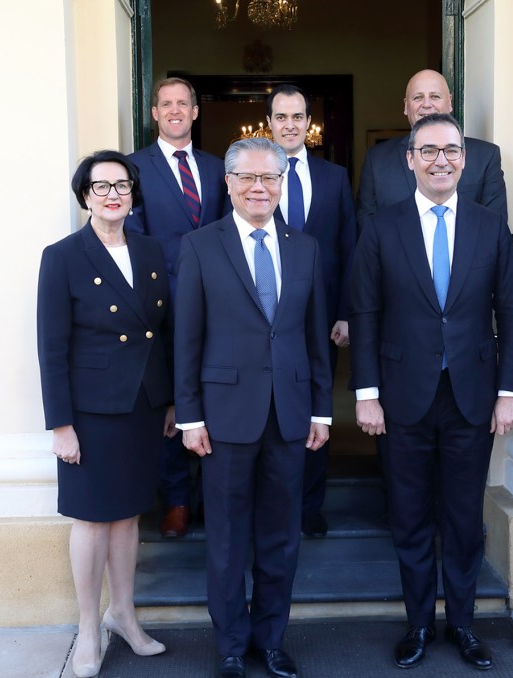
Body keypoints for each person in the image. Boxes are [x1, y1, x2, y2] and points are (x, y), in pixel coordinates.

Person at [350, 113, 513, 671]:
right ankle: (420, 623)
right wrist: (366, 393)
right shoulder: (382, 226)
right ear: (409, 160)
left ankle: (466, 625)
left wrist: (508, 390)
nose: (440, 160)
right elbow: (366, 312)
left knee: (461, 515)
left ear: (464, 159)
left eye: (450, 149)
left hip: (471, 395)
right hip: (401, 396)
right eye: (428, 151)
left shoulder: (489, 226)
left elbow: (510, 309)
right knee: (409, 515)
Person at [173, 138, 333, 678]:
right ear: (230, 183)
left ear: (282, 185)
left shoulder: (306, 247)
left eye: (270, 179)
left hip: (289, 415)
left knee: (281, 537)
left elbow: (315, 338)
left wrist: (322, 410)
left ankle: (271, 639)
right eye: (248, 178)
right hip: (223, 417)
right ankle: (232, 646)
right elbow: (186, 339)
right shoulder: (199, 245)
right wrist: (190, 415)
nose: (260, 187)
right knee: (225, 537)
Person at [37, 150, 175, 677]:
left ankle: (124, 615)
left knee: (129, 514)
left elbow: (160, 332)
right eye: (102, 187)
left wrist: (168, 400)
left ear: (133, 194)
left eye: (122, 185)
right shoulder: (64, 256)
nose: (113, 194)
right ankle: (88, 628)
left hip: (142, 405)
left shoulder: (151, 249)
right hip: (91, 411)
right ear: (85, 197)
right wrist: (61, 425)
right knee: (93, 518)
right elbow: (52, 346)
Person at [124, 76, 230, 539]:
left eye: (182, 103)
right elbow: (136, 240)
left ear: (195, 111)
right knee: (169, 407)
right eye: (165, 104)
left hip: (218, 305)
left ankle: (210, 497)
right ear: (154, 113)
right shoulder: (133, 168)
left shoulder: (216, 168)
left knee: (215, 398)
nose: (174, 110)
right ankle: (177, 501)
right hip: (162, 307)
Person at [265, 83, 356, 538]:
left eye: (297, 116)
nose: (290, 124)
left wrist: (345, 312)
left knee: (317, 409)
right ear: (270, 123)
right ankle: (275, 508)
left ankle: (309, 508)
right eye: (281, 117)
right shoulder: (253, 177)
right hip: (265, 321)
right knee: (269, 410)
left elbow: (348, 247)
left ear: (308, 123)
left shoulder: (335, 177)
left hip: (322, 318)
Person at [356, 69, 508, 225]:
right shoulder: (377, 160)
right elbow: (366, 228)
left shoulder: (486, 157)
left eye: (435, 96)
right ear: (406, 106)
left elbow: (495, 228)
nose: (427, 104)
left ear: (449, 102)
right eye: (418, 97)